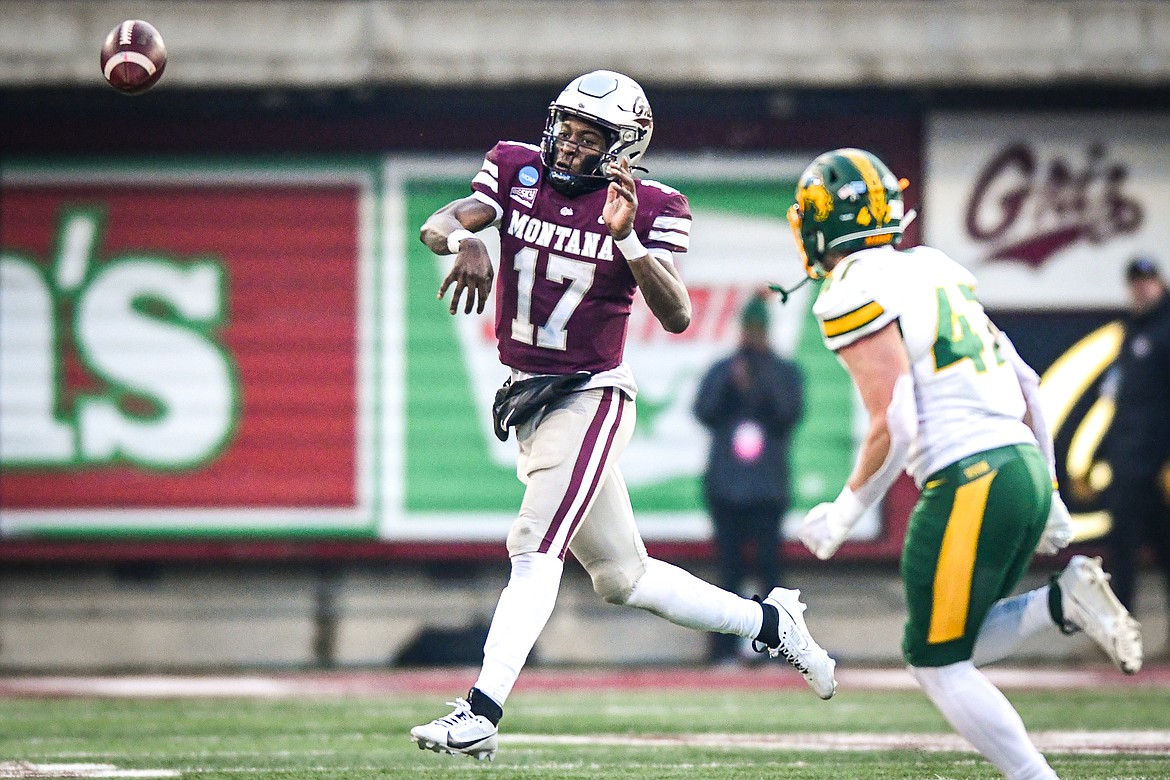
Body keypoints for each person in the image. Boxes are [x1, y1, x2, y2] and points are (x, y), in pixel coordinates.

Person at [409, 70, 836, 762]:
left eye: (588, 137)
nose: (570, 146)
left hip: (591, 393)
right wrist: (464, 243)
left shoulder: (653, 206)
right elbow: (440, 221)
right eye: (567, 129)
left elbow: (676, 315)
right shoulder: (515, 168)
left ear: (624, 149)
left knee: (533, 545)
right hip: (532, 399)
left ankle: (481, 711)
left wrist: (628, 240)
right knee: (623, 578)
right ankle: (769, 622)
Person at [788, 148, 1143, 780]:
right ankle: (1063, 603)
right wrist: (1053, 494)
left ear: (823, 222)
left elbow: (896, 422)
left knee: (935, 662)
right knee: (957, 636)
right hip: (1021, 467)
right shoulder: (932, 268)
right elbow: (1028, 382)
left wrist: (844, 514)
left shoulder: (851, 288)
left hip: (968, 477)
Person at [693, 290, 804, 663]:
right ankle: (723, 649)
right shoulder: (723, 369)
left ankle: (777, 646)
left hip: (767, 487)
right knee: (728, 572)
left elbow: (789, 415)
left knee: (771, 571)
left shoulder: (784, 371)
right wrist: (731, 383)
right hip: (727, 486)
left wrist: (760, 383)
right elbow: (703, 411)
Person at [1102, 256, 1170, 640]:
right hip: (1129, 463)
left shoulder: (1164, 330)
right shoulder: (1132, 330)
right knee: (1122, 552)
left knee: (1165, 549)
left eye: (1147, 280)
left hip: (1159, 464)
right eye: (1135, 282)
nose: (1141, 288)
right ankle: (1120, 637)